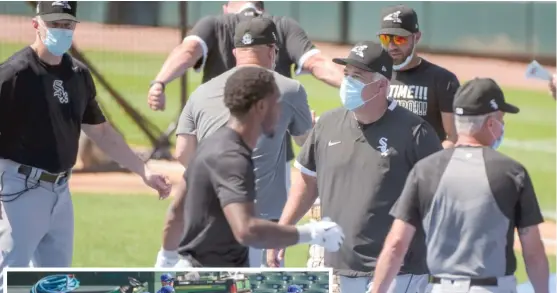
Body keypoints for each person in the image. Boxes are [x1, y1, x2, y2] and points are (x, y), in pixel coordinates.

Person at [0, 1, 171, 284]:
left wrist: (144, 171)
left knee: (55, 282)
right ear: (36, 24)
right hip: (20, 192)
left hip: (61, 193)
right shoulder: (14, 74)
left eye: (67, 25)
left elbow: (101, 132)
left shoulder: (78, 75)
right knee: (10, 280)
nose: (61, 31)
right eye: (54, 24)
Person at [147, 1, 344, 228]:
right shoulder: (284, 30)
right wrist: (354, 88)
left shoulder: (212, 37)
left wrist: (159, 82)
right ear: (273, 52)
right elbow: (317, 63)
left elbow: (188, 51)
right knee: (264, 248)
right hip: (267, 185)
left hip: (213, 196)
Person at [268, 41, 443, 293]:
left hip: (399, 270)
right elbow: (307, 182)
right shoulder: (328, 124)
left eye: (358, 77)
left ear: (382, 85)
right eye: (347, 74)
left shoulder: (416, 133)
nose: (348, 82)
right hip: (344, 265)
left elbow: (438, 201)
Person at [371, 78, 549, 293]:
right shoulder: (511, 173)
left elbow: (396, 244)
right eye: (501, 119)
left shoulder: (425, 170)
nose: (502, 126)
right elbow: (533, 252)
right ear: (490, 124)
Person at [154, 66, 344, 268]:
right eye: (276, 104)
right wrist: (313, 234)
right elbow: (247, 230)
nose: (280, 112)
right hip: (213, 280)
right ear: (261, 107)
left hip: (202, 274)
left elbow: (176, 212)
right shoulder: (233, 158)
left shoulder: (213, 144)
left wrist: (166, 259)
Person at [162, 17, 314, 268]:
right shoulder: (288, 89)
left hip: (207, 224)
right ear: (272, 51)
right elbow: (305, 143)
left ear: (235, 52)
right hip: (261, 225)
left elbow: (182, 152)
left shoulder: (201, 92)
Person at [377, 4, 460, 148]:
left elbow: (453, 137)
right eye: (385, 39)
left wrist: (427, 165)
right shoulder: (377, 76)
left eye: (399, 39)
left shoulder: (443, 80)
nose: (391, 46)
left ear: (416, 37)